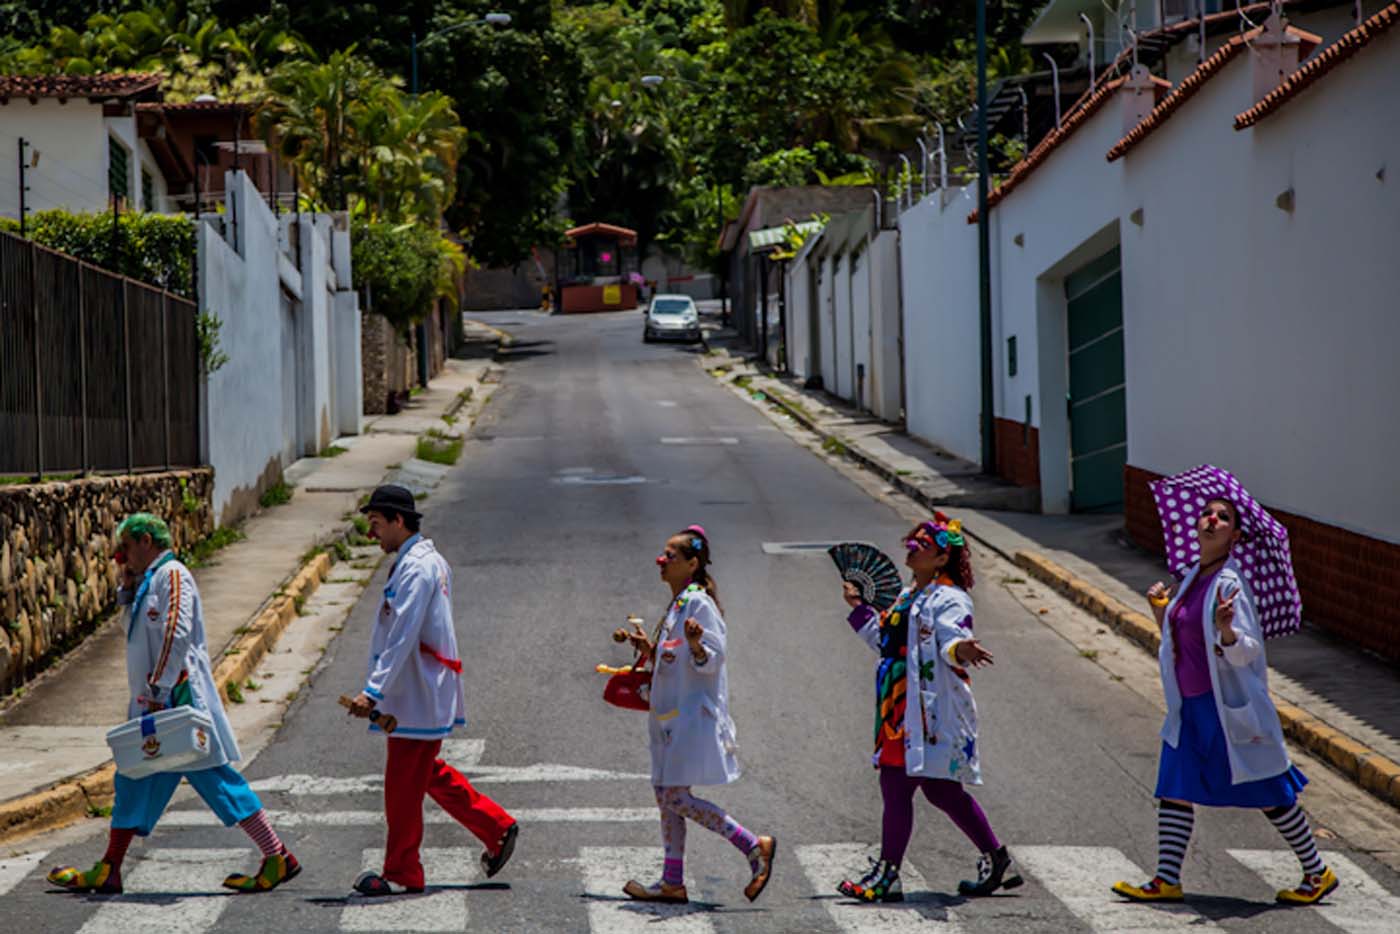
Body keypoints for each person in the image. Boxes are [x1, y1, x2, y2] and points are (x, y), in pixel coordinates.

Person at [47, 513, 299, 895]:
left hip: (177, 705)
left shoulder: (173, 575)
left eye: (126, 549)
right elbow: (135, 633)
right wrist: (127, 591)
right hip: (156, 705)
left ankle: (276, 854)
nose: (122, 557)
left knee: (216, 779)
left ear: (146, 541)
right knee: (131, 777)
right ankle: (110, 868)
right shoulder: (149, 581)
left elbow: (175, 633)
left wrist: (160, 691)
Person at [1112, 496, 1336, 905]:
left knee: (1269, 791)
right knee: (1174, 786)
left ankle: (1317, 872)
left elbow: (1247, 651)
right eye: (1207, 513)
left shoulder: (1230, 584)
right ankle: (1166, 878)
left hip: (1225, 709)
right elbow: (1178, 642)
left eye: (1223, 517)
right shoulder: (1192, 577)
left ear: (1234, 535)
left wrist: (1228, 630)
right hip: (1190, 706)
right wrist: (1160, 610)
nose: (1211, 519)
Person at [836, 514, 1019, 903]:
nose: (913, 546)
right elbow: (885, 641)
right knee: (941, 790)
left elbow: (954, 637)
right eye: (913, 540)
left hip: (922, 710)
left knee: (895, 785)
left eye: (924, 543)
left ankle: (888, 875)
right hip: (896, 704)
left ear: (941, 559)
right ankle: (996, 857)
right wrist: (858, 609)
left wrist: (961, 650)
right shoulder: (907, 595)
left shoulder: (949, 598)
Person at [346, 484, 518, 896]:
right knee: (426, 774)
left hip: (417, 694)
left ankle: (403, 870)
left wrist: (372, 691)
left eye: (376, 524)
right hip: (418, 690)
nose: (372, 535)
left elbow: (402, 634)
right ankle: (496, 827)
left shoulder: (418, 568)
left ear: (398, 521)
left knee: (403, 786)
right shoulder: (423, 561)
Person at [617, 525, 776, 904]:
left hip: (691, 716)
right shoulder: (679, 603)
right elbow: (676, 661)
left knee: (675, 796)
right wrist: (651, 650)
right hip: (670, 715)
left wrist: (695, 645)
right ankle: (672, 881)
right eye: (664, 553)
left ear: (691, 563)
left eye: (671, 555)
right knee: (665, 794)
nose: (662, 560)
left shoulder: (699, 603)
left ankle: (753, 845)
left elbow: (713, 660)